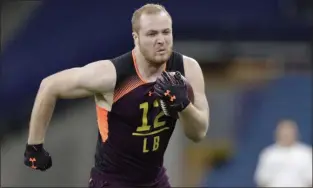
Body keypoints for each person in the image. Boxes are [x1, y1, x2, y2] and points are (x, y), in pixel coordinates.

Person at [23, 3, 210, 188]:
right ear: (135, 38)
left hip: (155, 180)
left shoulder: (187, 69)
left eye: (166, 32)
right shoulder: (112, 75)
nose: (161, 40)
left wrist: (184, 105)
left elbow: (198, 134)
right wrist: (34, 147)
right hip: (112, 182)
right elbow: (49, 86)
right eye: (152, 34)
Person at [254, 119, 312, 187]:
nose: (286, 135)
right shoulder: (268, 154)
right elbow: (261, 180)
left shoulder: (306, 153)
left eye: (289, 132)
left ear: (296, 134)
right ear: (277, 133)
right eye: (283, 132)